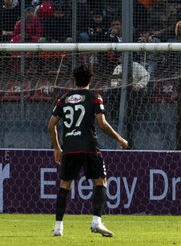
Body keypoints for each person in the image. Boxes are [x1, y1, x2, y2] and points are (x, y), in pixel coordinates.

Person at [48, 64, 129, 237]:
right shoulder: (94, 98)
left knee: (64, 185)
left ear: (74, 80)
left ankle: (58, 227)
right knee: (100, 181)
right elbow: (101, 124)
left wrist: (57, 148)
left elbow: (51, 125)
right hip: (89, 147)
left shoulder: (64, 99)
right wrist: (120, 139)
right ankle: (96, 222)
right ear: (91, 80)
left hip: (69, 148)